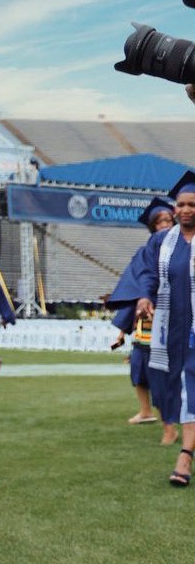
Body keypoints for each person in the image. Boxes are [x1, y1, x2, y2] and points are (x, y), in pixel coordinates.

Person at [109, 180, 195, 483]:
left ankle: (184, 455)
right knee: (184, 389)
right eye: (181, 205)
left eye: (192, 205)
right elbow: (146, 273)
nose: (185, 210)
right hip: (173, 330)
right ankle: (183, 451)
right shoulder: (162, 243)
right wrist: (145, 295)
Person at [110, 198, 177, 444]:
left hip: (177, 320)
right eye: (159, 222)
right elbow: (136, 289)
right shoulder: (145, 254)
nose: (164, 226)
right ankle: (156, 417)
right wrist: (123, 330)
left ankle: (173, 424)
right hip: (149, 323)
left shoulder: (185, 249)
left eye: (168, 221)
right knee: (141, 368)